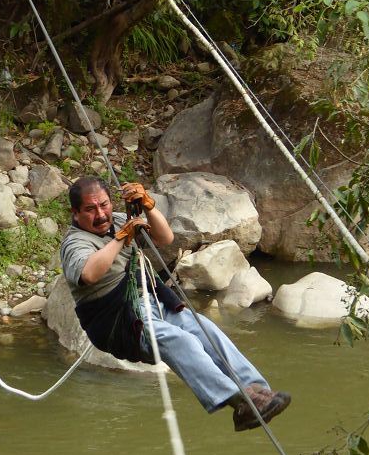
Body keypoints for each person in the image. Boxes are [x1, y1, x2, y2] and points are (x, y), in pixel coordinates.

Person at [60, 176, 291, 431]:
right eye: (90, 209)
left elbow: (165, 238)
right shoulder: (75, 243)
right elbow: (89, 273)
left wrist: (148, 206)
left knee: (204, 329)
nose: (101, 214)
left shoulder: (117, 221)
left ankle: (256, 388)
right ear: (75, 212)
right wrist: (120, 240)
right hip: (122, 323)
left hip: (152, 304)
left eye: (103, 205)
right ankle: (238, 401)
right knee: (180, 340)